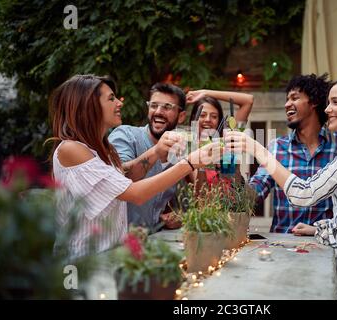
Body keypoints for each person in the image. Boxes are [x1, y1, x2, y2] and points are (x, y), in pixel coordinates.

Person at [225, 76, 337, 300]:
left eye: (335, 102)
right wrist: (318, 228)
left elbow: (304, 193)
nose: (329, 109)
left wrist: (257, 149)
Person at [49, 74, 219, 260]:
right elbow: (134, 193)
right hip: (81, 262)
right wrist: (189, 162)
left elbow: (124, 178)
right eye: (111, 98)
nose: (120, 103)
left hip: (110, 256)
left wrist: (157, 152)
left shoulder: (102, 150)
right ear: (90, 106)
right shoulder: (72, 149)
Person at [249, 74, 337, 233]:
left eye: (294, 98)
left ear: (313, 102)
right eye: (287, 99)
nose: (287, 104)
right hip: (282, 246)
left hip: (326, 246)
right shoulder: (277, 147)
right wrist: (232, 176)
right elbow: (256, 192)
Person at [108, 83, 187, 231]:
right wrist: (156, 151)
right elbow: (120, 180)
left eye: (167, 107)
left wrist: (176, 217)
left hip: (151, 243)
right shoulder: (126, 135)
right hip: (117, 245)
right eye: (154, 105)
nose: (158, 111)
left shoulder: (179, 153)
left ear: (181, 116)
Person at [185, 89, 254, 190]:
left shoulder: (227, 141)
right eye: (203, 115)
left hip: (232, 203)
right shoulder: (189, 147)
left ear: (219, 121)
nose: (208, 119)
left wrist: (205, 93)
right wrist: (204, 163)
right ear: (194, 119)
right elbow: (199, 194)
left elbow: (248, 101)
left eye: (214, 116)